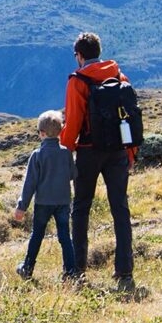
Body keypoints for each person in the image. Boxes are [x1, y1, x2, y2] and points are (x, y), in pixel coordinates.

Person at [60, 32, 136, 292]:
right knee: (120, 209)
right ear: (99, 51)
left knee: (81, 208)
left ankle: (76, 270)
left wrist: (64, 151)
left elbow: (73, 121)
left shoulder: (78, 80)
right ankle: (124, 271)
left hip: (89, 151)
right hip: (117, 152)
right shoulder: (118, 76)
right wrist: (131, 153)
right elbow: (129, 116)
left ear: (79, 55)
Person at [13, 109, 76, 280]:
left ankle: (27, 268)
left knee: (37, 235)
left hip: (43, 203)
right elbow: (73, 174)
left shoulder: (37, 155)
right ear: (61, 131)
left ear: (41, 133)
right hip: (63, 201)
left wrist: (22, 206)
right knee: (65, 236)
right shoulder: (66, 153)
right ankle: (71, 272)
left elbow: (30, 183)